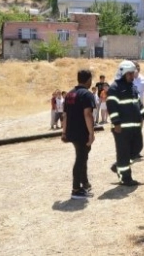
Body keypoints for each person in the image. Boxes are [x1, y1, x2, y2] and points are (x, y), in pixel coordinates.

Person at [106, 60, 144, 186]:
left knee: (138, 148)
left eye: (132, 73)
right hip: (122, 128)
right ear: (123, 73)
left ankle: (119, 165)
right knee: (123, 152)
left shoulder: (132, 87)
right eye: (129, 74)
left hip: (135, 127)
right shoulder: (114, 88)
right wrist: (116, 123)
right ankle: (125, 178)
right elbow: (111, 107)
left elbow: (139, 103)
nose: (132, 76)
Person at [62, 69, 96, 199]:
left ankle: (84, 184)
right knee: (80, 159)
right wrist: (91, 133)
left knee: (82, 157)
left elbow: (64, 115)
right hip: (82, 132)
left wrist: (64, 132)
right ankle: (76, 189)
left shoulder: (70, 94)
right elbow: (87, 114)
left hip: (71, 131)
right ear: (88, 80)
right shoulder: (87, 94)